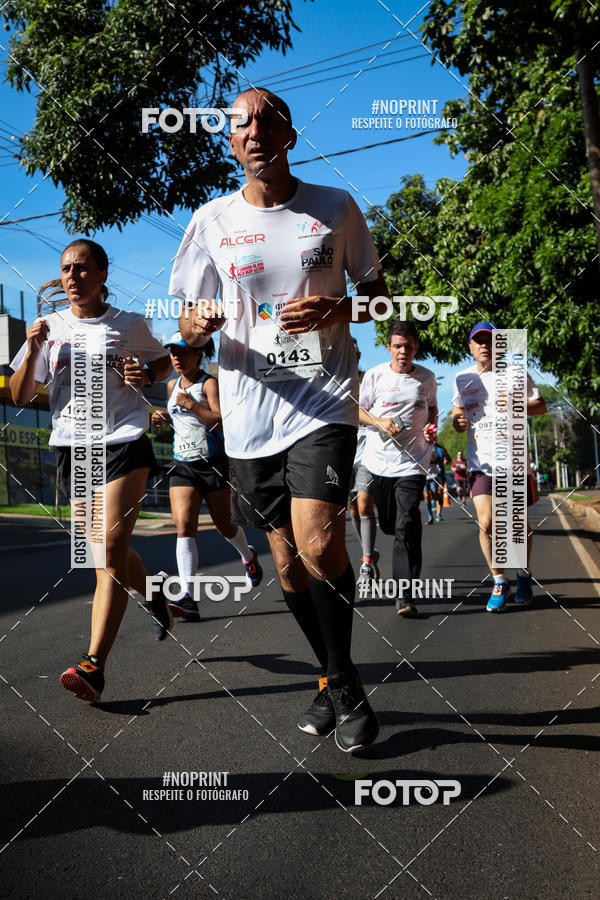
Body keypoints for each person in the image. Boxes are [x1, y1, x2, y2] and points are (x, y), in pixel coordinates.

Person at [172, 87, 388, 753]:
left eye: (267, 119)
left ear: (290, 135)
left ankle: (346, 685)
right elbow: (185, 325)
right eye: (241, 123)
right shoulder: (210, 221)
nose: (255, 129)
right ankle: (332, 676)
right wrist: (196, 323)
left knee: (321, 542)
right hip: (246, 414)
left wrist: (337, 311)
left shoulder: (335, 208)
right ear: (230, 141)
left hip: (322, 401)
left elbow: (381, 302)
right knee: (288, 561)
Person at [10, 239, 173, 702]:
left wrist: (146, 375)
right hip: (73, 449)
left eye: (82, 268)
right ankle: (155, 592)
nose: (72, 276)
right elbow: (21, 396)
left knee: (107, 552)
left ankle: (93, 664)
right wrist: (31, 344)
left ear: (102, 274)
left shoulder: (127, 324)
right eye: (65, 269)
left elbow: (160, 363)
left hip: (122, 441)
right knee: (109, 551)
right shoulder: (49, 328)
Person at [151, 331, 263, 621]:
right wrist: (164, 417)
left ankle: (248, 556)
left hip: (212, 463)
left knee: (225, 526)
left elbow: (220, 420)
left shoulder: (209, 383)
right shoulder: (171, 384)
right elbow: (178, 419)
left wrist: (193, 406)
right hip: (183, 465)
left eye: (182, 352)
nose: (176, 357)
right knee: (184, 524)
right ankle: (188, 597)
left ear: (198, 353)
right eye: (172, 352)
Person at [451, 321, 547, 612]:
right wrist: (457, 420)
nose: (484, 345)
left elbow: (541, 406)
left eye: (490, 340)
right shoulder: (462, 378)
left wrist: (518, 403)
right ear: (470, 347)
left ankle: (523, 574)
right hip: (481, 462)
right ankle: (499, 579)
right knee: (487, 522)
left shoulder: (517, 373)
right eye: (478, 341)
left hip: (514, 461)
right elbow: (458, 409)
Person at [359, 319, 438, 618]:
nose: (403, 351)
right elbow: (358, 410)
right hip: (379, 461)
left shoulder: (427, 378)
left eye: (408, 346)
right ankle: (392, 552)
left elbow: (431, 409)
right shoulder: (376, 375)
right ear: (389, 347)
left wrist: (432, 429)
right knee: (391, 525)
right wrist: (379, 422)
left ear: (415, 346)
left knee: (406, 524)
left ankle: (404, 594)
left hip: (413, 462)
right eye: (397, 346)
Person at [347, 338, 379, 585]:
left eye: (354, 349)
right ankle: (368, 551)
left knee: (365, 502)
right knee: (352, 508)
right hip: (342, 453)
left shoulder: (370, 379)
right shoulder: (330, 380)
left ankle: (367, 561)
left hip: (369, 451)